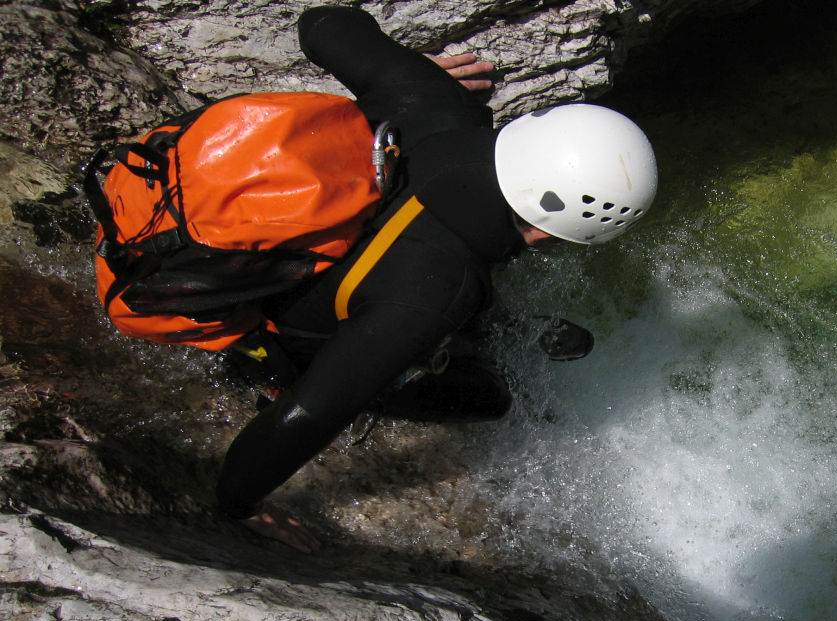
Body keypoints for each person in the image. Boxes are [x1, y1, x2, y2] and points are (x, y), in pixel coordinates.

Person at [213, 6, 658, 552]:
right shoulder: (438, 291)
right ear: (550, 232)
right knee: (489, 397)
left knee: (425, 311)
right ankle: (445, 350)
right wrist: (236, 507)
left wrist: (410, 70)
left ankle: (496, 332)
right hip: (273, 328)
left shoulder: (432, 99)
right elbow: (312, 411)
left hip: (230, 235)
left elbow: (323, 23)